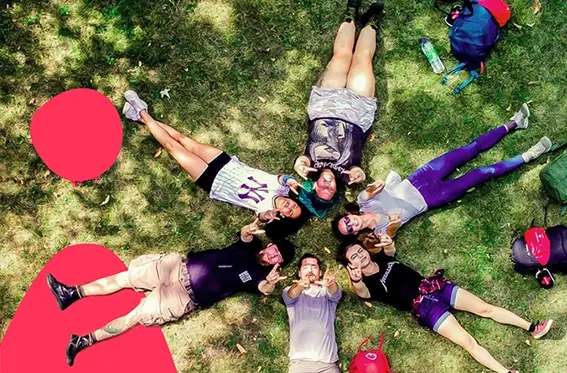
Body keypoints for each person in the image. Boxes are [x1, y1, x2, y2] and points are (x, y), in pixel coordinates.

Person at [47, 220, 294, 366]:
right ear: (270, 245)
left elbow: (264, 289)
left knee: (135, 316)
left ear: (278, 264)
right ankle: (72, 293)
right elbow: (245, 233)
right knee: (125, 278)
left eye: (277, 257)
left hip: (184, 297)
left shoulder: (259, 278)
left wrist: (271, 283)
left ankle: (82, 341)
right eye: (274, 248)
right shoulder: (249, 247)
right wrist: (252, 225)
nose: (272, 253)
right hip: (176, 267)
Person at [338, 237, 553, 373]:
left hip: (435, 287)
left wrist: (386, 242)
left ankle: (532, 327)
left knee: (485, 308)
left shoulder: (383, 259)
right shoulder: (371, 285)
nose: (360, 256)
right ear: (350, 265)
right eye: (354, 257)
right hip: (425, 309)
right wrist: (356, 281)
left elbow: (390, 250)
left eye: (359, 251)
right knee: (468, 342)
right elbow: (363, 293)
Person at [333, 105, 553, 237]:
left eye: (348, 222)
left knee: (469, 149)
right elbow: (393, 229)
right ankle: (530, 155)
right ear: (355, 234)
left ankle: (514, 122)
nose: (353, 225)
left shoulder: (362, 201)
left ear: (349, 215)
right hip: (433, 197)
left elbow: (374, 188)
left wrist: (378, 185)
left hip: (419, 178)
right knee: (481, 173)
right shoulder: (379, 233)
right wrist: (387, 221)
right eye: (350, 230)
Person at [122, 91, 303, 224]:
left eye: (289, 212)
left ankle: (142, 111)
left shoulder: (268, 212)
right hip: (227, 164)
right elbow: (282, 178)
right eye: (294, 206)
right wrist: (289, 179)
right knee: (183, 139)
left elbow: (262, 217)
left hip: (213, 181)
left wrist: (267, 216)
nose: (289, 207)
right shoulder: (282, 190)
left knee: (172, 147)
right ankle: (138, 116)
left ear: (283, 215)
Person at [293, 0, 385, 218]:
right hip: (356, 112)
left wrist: (299, 165)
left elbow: (301, 160)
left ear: (313, 187)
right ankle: (371, 23)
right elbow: (358, 172)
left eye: (321, 190)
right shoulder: (346, 176)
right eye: (330, 192)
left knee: (342, 55)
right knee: (362, 59)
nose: (327, 186)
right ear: (336, 191)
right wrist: (359, 175)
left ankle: (350, 14)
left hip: (325, 107)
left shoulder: (310, 169)